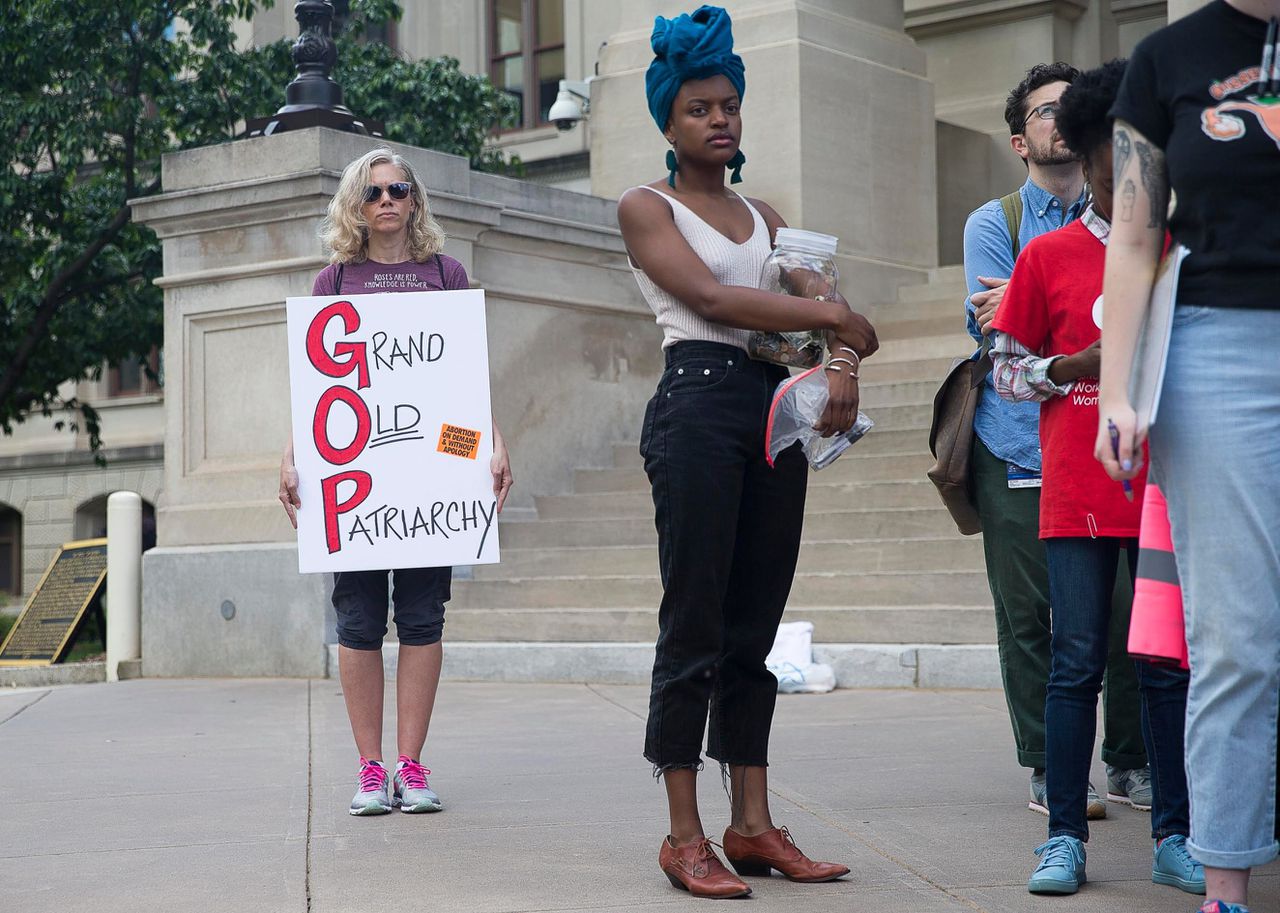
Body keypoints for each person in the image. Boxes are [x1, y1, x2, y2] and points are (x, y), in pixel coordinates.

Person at [616, 5, 876, 899]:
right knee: (692, 619)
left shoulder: (767, 215)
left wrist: (837, 354)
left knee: (754, 628)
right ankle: (684, 834)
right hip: (694, 403)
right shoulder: (645, 207)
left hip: (772, 409)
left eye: (729, 104)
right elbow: (714, 302)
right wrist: (831, 316)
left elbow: (841, 315)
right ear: (669, 120)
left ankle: (753, 825)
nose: (719, 119)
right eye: (699, 108)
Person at [991, 60, 1203, 898]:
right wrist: (1063, 366)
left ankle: (1177, 833)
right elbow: (1005, 371)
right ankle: (1064, 837)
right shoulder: (1047, 256)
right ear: (1082, 158)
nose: (1128, 183)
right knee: (1075, 660)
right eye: (1112, 168)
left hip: (1167, 488)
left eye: (1143, 163)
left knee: (1165, 667)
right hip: (1078, 486)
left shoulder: (1186, 253)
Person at [1097, 2, 1280, 910]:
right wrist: (1120, 391)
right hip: (1217, 352)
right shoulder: (1168, 58)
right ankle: (1227, 887)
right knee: (1236, 637)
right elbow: (1132, 238)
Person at [278, 147, 514, 817]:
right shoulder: (335, 281)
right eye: (374, 190)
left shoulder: (446, 273)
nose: (387, 199)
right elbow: (316, 389)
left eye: (399, 188)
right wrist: (293, 455)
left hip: (429, 472)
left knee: (421, 617)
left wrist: (490, 441)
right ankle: (369, 767)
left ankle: (411, 765)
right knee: (357, 621)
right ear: (356, 204)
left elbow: (461, 382)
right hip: (356, 481)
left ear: (414, 201)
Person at [963, 62, 1149, 818]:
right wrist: (1038, 317)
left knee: (1127, 613)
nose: (1061, 120)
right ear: (1021, 137)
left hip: (1117, 445)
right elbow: (991, 324)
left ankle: (1130, 761)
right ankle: (1048, 765)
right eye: (1046, 112)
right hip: (1017, 443)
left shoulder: (1137, 222)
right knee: (1031, 617)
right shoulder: (999, 224)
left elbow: (1024, 309)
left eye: (1074, 109)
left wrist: (1029, 305)